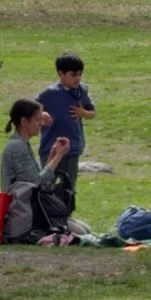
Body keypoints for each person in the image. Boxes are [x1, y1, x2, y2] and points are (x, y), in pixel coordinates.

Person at [36, 51, 96, 205]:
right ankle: (44, 215)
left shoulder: (82, 90)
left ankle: (65, 216)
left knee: (69, 187)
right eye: (74, 74)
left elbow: (92, 113)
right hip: (50, 148)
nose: (78, 78)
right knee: (45, 184)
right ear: (61, 74)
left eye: (80, 74)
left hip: (72, 147)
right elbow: (33, 109)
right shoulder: (49, 93)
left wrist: (84, 113)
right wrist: (42, 115)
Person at [1, 98, 69, 192]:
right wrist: (58, 156)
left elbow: (37, 176)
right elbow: (38, 183)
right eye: (38, 119)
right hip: (19, 205)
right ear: (24, 121)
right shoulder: (17, 146)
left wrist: (52, 156)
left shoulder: (21, 143)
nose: (41, 123)